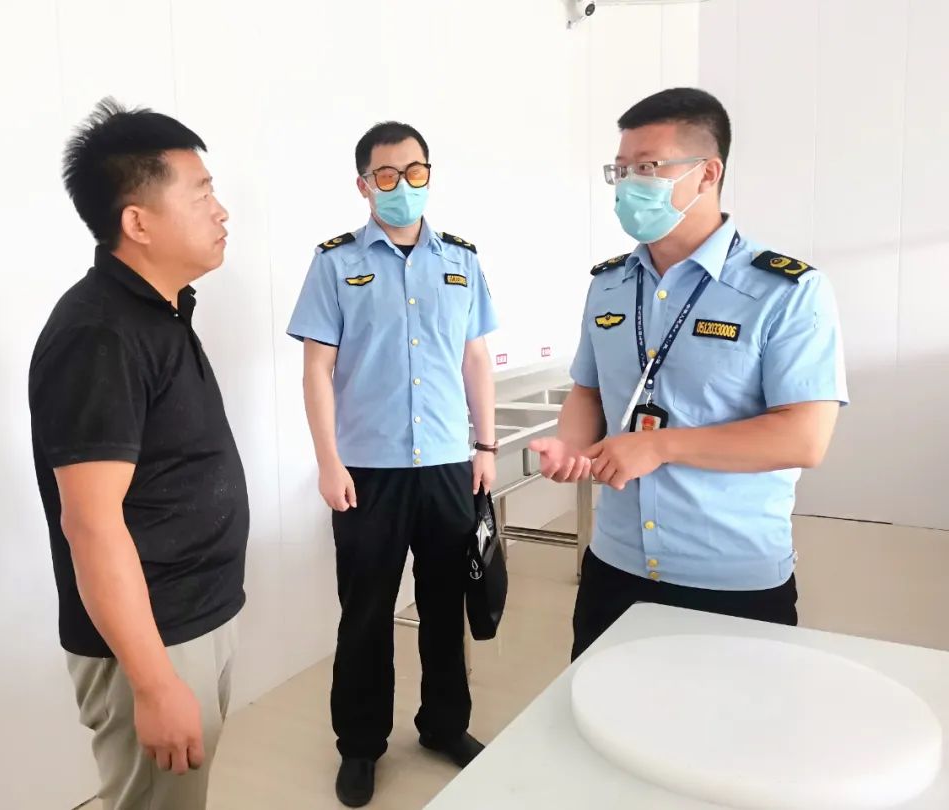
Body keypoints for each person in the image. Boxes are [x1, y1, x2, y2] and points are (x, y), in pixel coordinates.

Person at [531, 88, 848, 660]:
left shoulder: (787, 291)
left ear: (708, 172)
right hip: (615, 564)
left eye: (648, 167)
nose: (629, 184)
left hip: (731, 576)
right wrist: (572, 447)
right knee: (599, 709)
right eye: (621, 170)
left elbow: (804, 437)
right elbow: (589, 390)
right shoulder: (609, 284)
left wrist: (660, 447)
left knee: (732, 718)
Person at [28, 98, 248, 810]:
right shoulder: (99, 334)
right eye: (202, 193)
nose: (221, 211)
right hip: (153, 640)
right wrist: (153, 683)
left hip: (193, 617)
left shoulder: (159, 310)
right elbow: (91, 524)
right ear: (138, 222)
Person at [287, 121, 499, 807]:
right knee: (367, 613)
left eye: (415, 171)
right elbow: (316, 371)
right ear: (363, 185)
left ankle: (444, 726)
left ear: (429, 174)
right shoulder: (334, 263)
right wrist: (328, 462)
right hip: (367, 472)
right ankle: (360, 745)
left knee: (444, 606)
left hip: (447, 466)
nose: (403, 184)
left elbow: (475, 359)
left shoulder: (462, 260)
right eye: (387, 174)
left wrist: (486, 447)